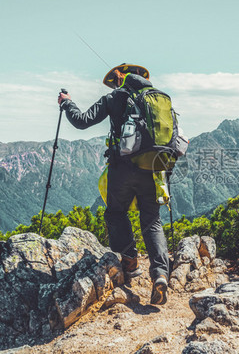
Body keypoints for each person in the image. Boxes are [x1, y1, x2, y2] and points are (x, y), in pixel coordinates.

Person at [57, 64, 170, 305]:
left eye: (114, 81)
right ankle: (160, 274)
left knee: (116, 213)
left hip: (124, 167)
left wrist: (67, 102)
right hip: (155, 168)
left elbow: (82, 121)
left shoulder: (114, 97)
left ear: (120, 79)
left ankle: (129, 261)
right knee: (152, 220)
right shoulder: (157, 99)